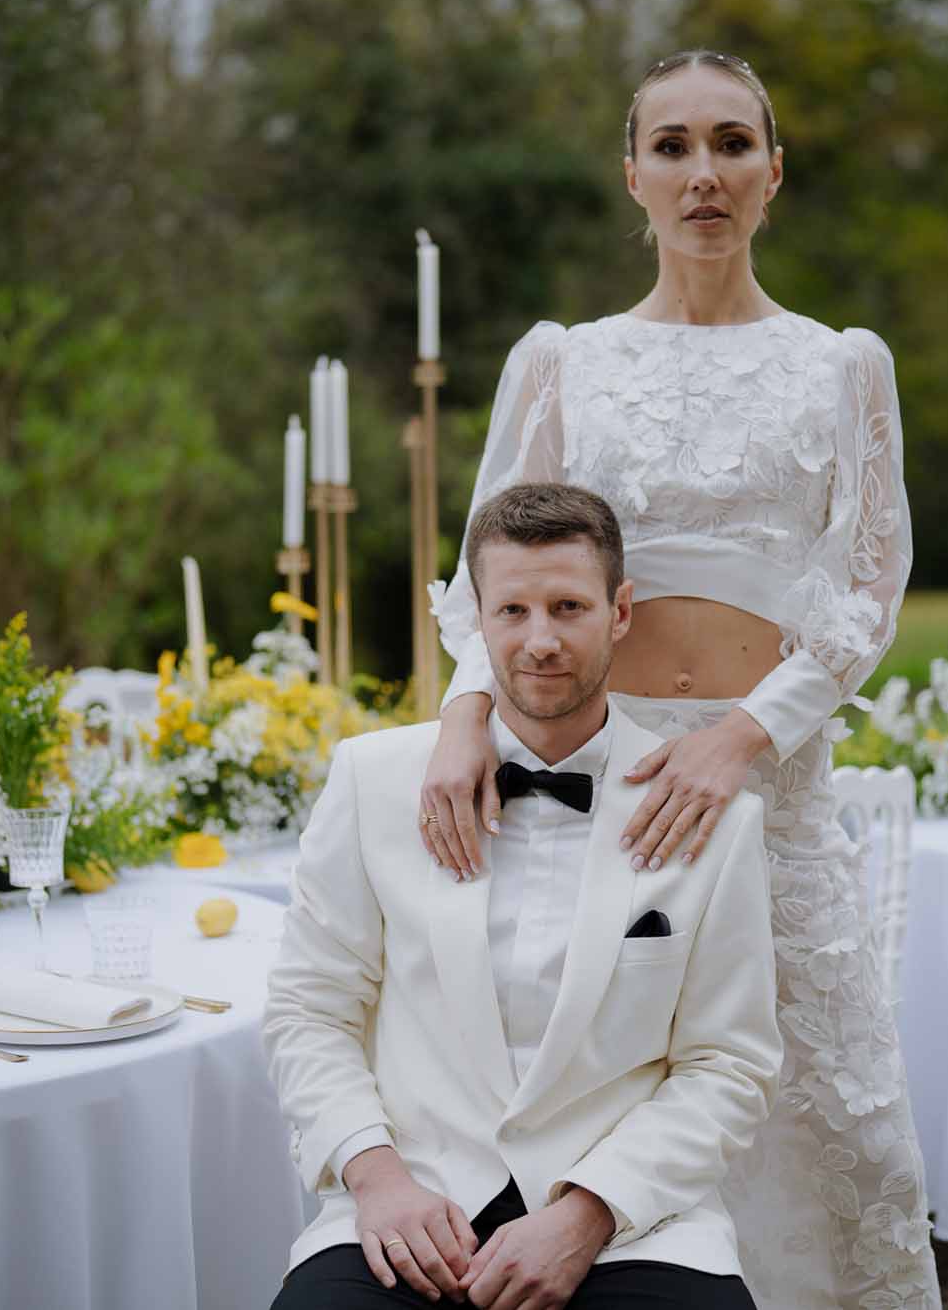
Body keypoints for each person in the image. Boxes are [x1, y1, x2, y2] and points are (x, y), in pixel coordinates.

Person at [420, 50, 941, 1308]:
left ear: (773, 171)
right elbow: (486, 575)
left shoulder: (841, 365)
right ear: (632, 178)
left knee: (820, 1104)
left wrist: (744, 740)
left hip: (767, 780)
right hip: (613, 776)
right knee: (617, 1082)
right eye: (671, 147)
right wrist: (460, 716)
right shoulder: (563, 361)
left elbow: (867, 590)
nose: (701, 173)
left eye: (729, 144)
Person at [265, 481, 781, 1310]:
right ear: (478, 618)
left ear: (620, 611)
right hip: (412, 1203)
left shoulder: (714, 819)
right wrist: (378, 1177)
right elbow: (309, 1010)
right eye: (513, 611)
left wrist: (586, 1214)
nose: (540, 640)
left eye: (568, 606)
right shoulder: (372, 782)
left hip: (628, 1220)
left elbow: (730, 1065)